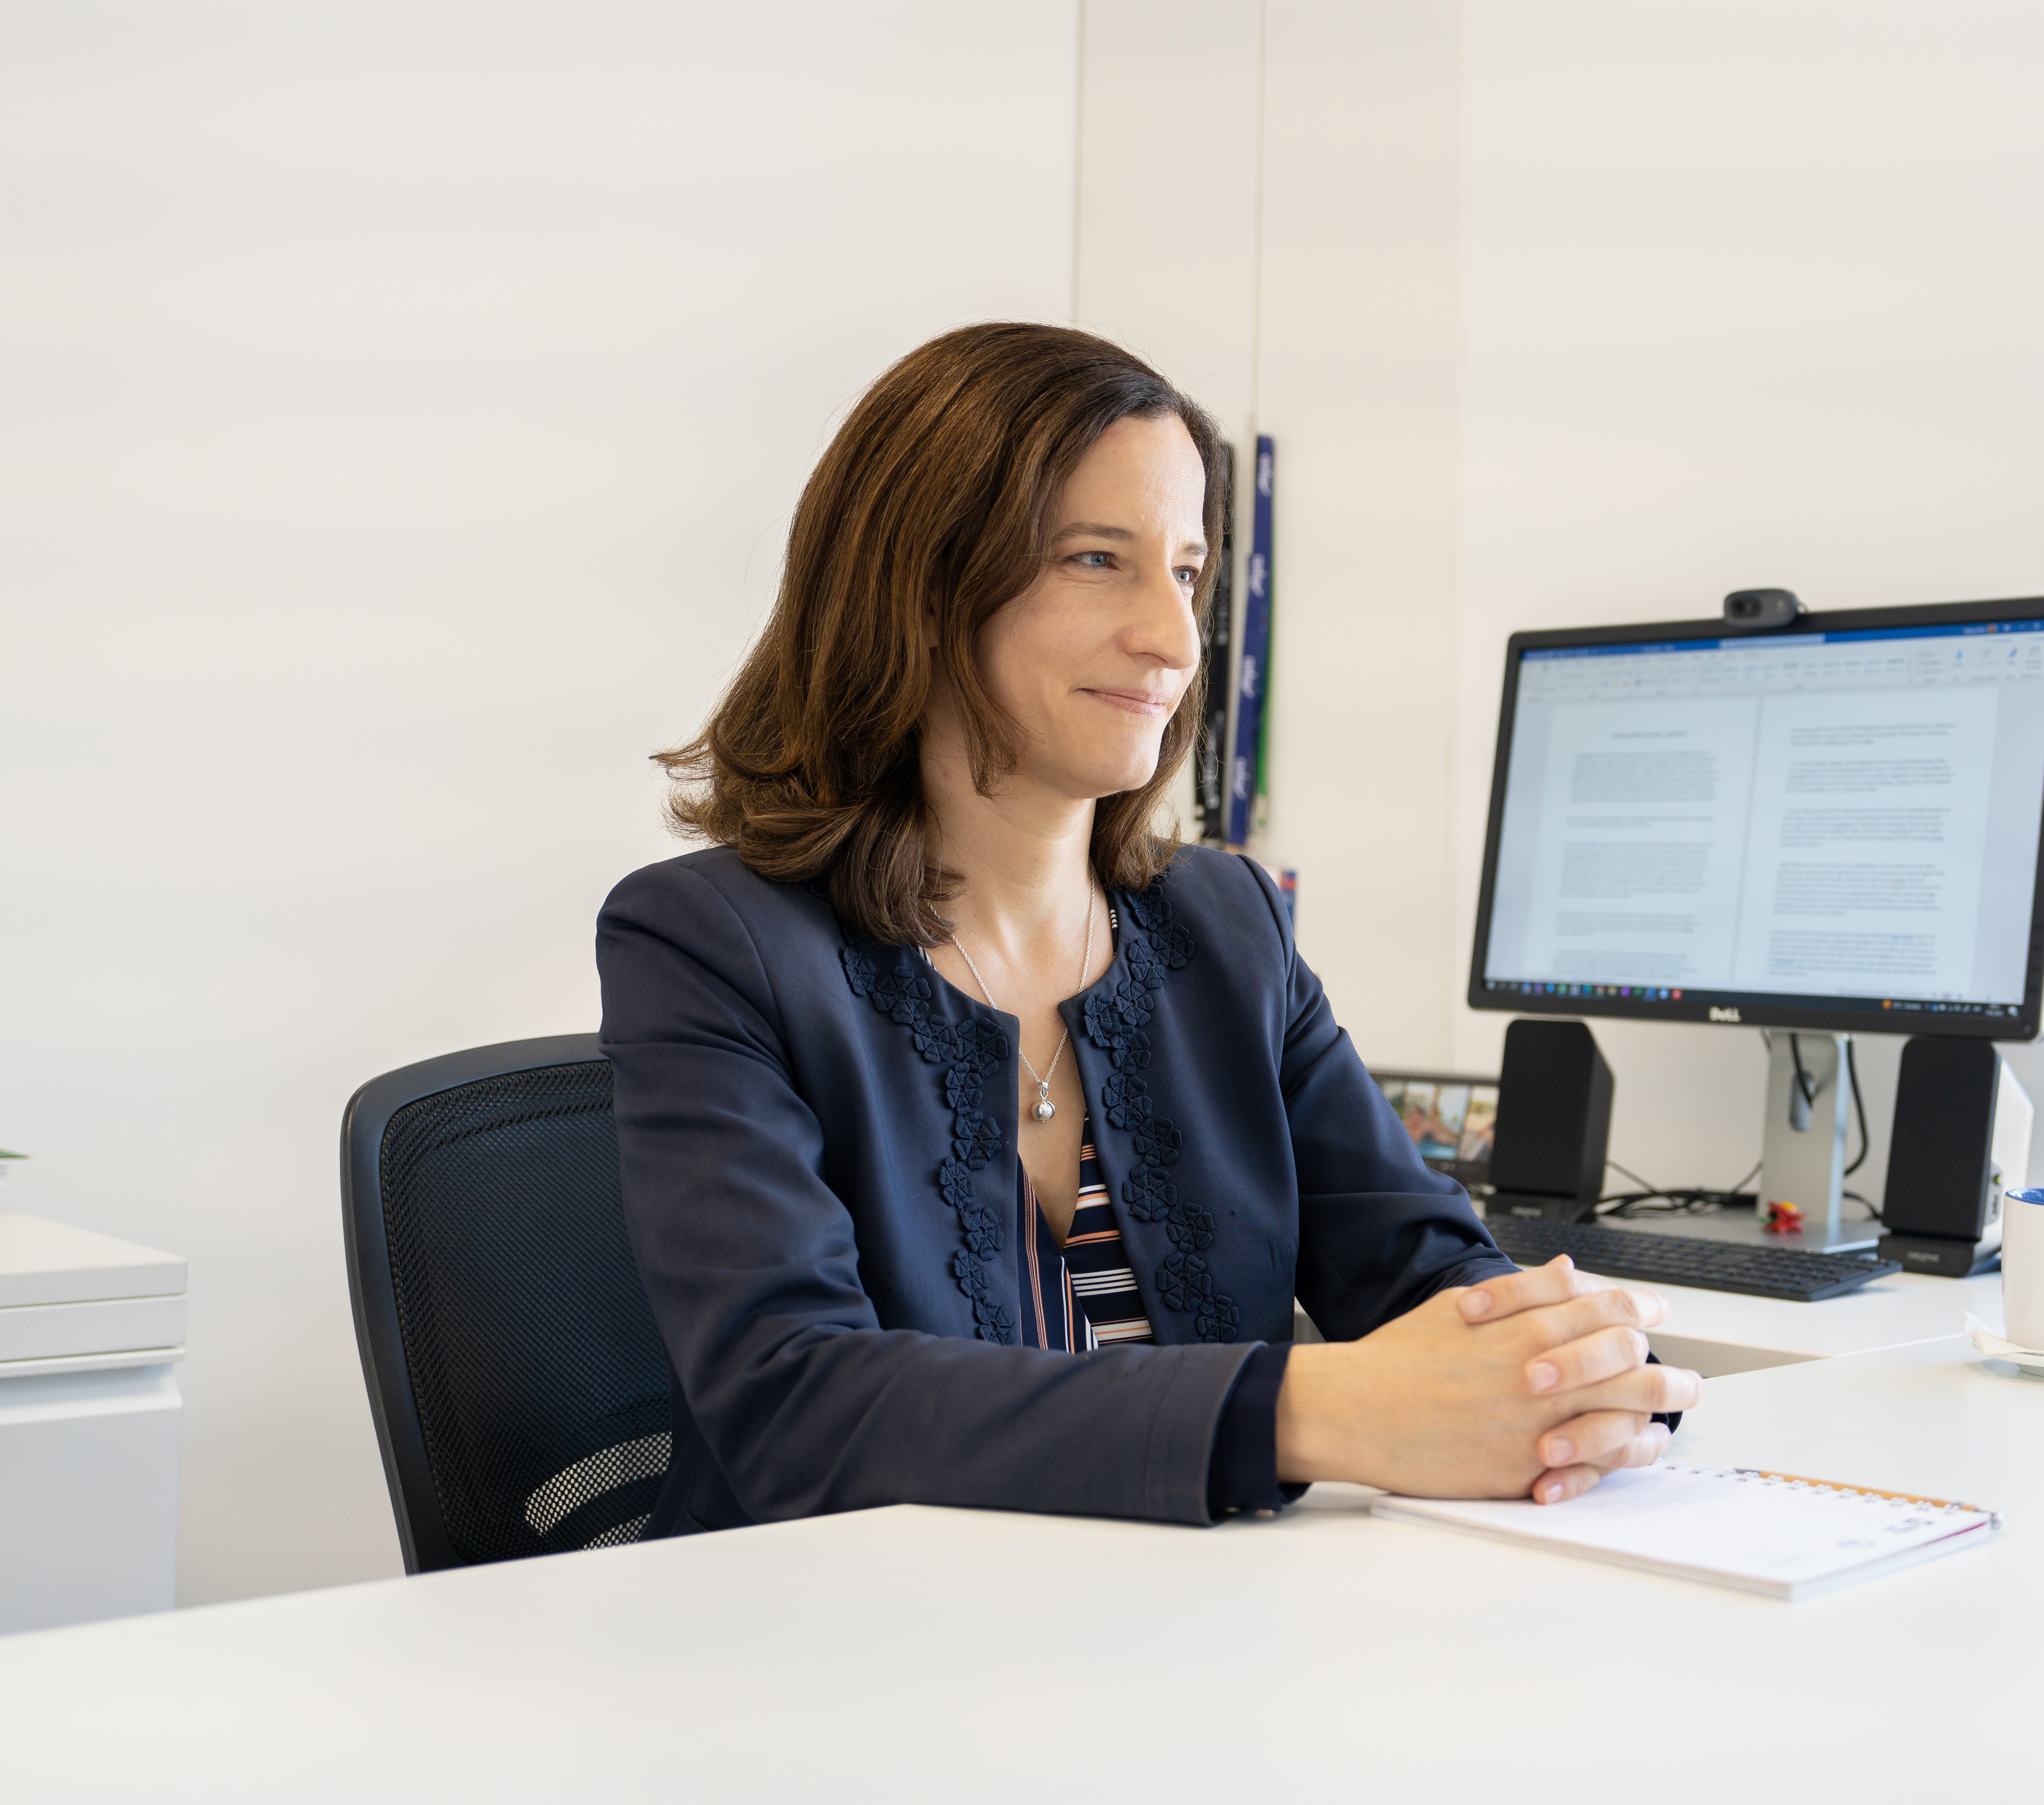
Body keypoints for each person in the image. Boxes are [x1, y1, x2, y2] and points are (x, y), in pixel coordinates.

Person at [599, 323, 1703, 1534]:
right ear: (916, 587)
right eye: (1095, 560)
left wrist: (1559, 1370)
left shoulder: (1227, 925)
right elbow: (797, 1411)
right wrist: (1304, 1411)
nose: (1174, 643)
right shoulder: (710, 945)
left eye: (1185, 573)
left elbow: (1427, 1274)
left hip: (1184, 1651)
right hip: (843, 1661)